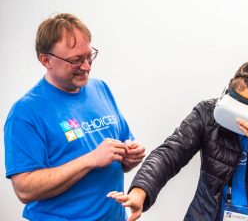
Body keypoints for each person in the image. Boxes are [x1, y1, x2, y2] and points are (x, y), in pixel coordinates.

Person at [108, 53, 248, 221]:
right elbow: (170, 153)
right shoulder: (208, 113)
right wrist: (140, 191)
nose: (237, 116)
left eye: (247, 110)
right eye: (234, 102)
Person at [4, 13, 145, 221]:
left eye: (89, 56)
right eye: (75, 60)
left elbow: (120, 150)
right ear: (46, 60)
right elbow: (25, 190)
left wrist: (129, 157)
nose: (86, 66)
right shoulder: (25, 113)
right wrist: (90, 160)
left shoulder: (100, 88)